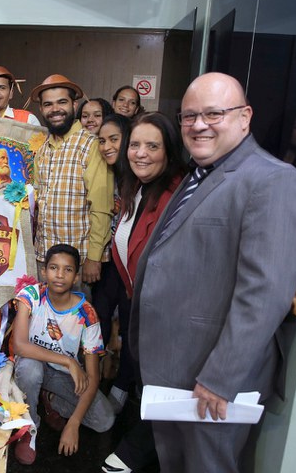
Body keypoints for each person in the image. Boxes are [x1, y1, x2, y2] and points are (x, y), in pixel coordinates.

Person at [130, 72, 296, 473]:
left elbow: (265, 293)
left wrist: (220, 377)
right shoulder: (199, 172)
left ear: (245, 117)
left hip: (212, 383)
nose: (199, 125)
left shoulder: (273, 180)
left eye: (213, 114)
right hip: (176, 370)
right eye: (189, 116)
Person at [96, 112, 187, 473]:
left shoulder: (176, 195)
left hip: (165, 314)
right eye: (135, 144)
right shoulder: (135, 187)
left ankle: (139, 453)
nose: (141, 153)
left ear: (169, 151)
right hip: (141, 304)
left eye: (152, 145)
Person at [11, 244, 114, 465]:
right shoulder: (31, 295)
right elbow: (19, 345)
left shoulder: (87, 314)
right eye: (53, 268)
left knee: (105, 420)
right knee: (30, 370)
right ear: (43, 272)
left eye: (67, 270)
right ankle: (29, 426)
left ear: (76, 277)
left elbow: (93, 376)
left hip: (60, 375)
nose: (59, 275)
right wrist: (68, 361)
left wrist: (73, 423)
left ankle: (49, 399)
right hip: (33, 363)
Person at [31, 74, 114, 285]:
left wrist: (94, 257)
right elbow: (38, 201)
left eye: (62, 102)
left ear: (74, 105)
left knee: (79, 308)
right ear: (41, 109)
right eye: (48, 104)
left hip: (78, 262)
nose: (55, 109)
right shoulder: (42, 150)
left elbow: (101, 206)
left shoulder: (91, 145)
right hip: (44, 258)